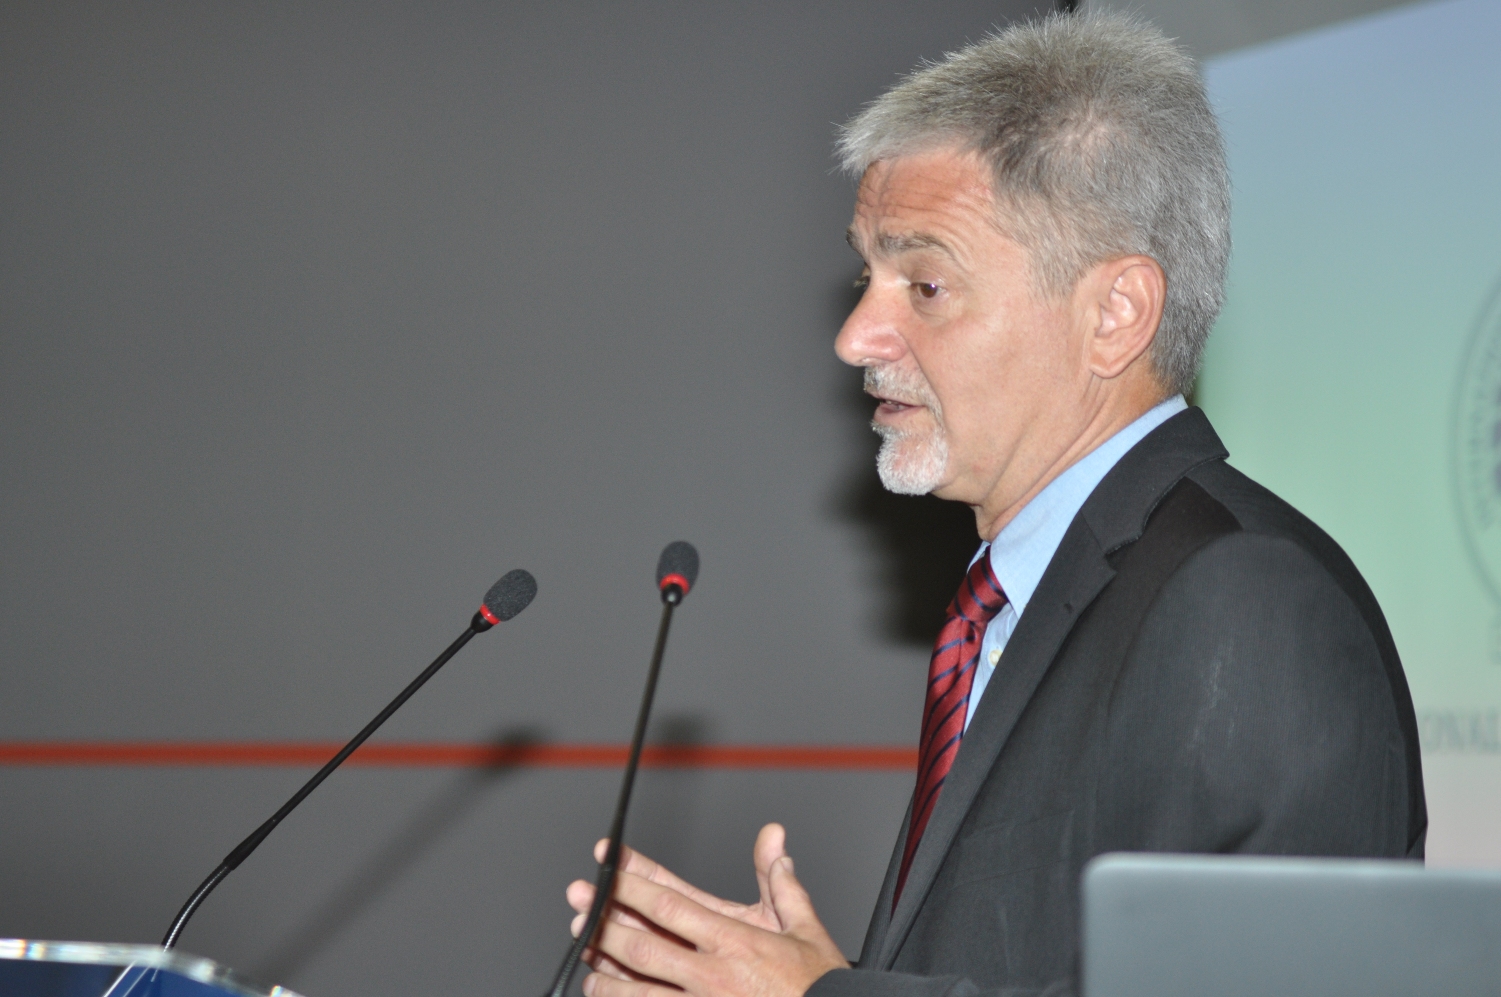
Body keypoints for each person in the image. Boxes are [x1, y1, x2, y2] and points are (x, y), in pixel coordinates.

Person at [563, 11, 1426, 997]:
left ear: (1114, 315)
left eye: (925, 284)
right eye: (867, 274)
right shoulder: (1018, 599)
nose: (854, 335)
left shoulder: (1247, 601)